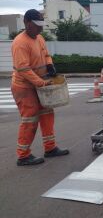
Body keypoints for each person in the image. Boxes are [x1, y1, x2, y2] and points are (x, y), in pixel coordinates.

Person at [11, 9, 69, 166]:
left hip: (39, 85)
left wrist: (50, 65)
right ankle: (23, 156)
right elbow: (23, 69)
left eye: (42, 25)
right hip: (24, 87)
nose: (40, 29)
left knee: (47, 113)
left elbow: (46, 54)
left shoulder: (39, 38)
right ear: (27, 23)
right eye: (37, 26)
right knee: (30, 119)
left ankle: (50, 148)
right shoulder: (20, 43)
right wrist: (41, 83)